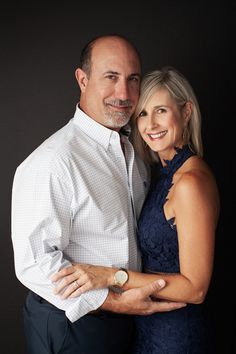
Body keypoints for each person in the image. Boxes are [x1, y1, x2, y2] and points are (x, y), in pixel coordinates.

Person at [11, 35, 185, 354]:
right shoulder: (52, 162)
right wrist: (113, 301)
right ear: (82, 79)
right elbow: (34, 263)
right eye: (111, 77)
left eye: (133, 79)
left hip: (126, 321)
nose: (124, 93)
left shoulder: (135, 152)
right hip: (74, 325)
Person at [52, 67, 220, 353]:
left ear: (186, 111)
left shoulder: (191, 182)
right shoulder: (162, 173)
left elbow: (196, 289)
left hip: (176, 335)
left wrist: (109, 275)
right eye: (142, 113)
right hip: (147, 328)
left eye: (161, 110)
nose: (150, 124)